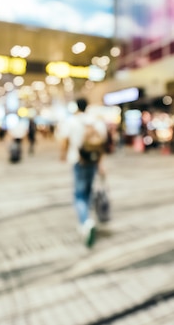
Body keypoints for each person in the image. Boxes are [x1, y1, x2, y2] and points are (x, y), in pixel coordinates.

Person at [57, 98, 108, 248]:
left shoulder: (72, 121)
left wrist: (62, 154)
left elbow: (65, 140)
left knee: (79, 194)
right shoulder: (96, 122)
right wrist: (100, 163)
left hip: (78, 160)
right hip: (93, 161)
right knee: (88, 190)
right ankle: (87, 218)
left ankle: (85, 222)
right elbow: (102, 143)